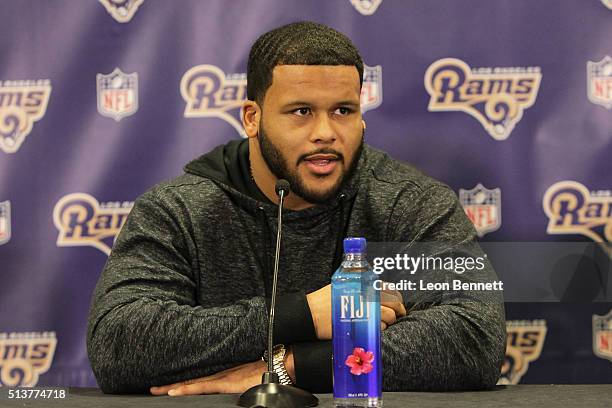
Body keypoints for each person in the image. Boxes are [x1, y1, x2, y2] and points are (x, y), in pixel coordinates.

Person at [87, 21, 505, 396]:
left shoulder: (409, 201)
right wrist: (302, 315)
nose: (325, 133)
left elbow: (475, 338)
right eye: (301, 112)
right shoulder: (178, 210)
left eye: (343, 111)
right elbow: (118, 342)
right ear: (252, 117)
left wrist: (287, 368)